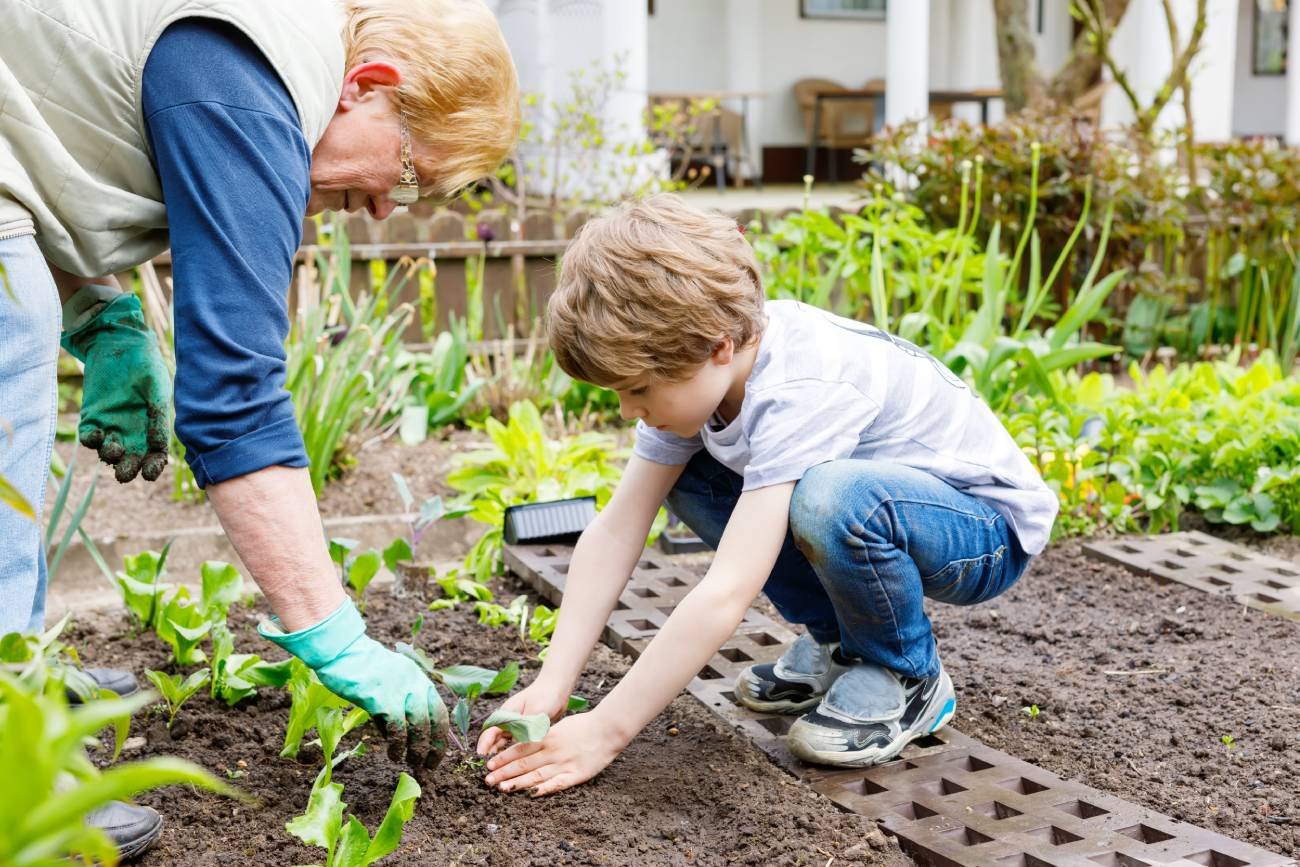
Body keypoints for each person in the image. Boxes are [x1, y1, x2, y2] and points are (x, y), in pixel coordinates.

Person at [0, 0, 518, 856]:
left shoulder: (258, 56)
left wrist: (102, 310)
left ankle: (13, 676)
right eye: (414, 174)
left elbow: (46, 125)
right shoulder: (255, 82)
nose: (389, 207)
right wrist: (337, 638)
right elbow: (234, 398)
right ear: (369, 87)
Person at [476, 193, 1059, 795]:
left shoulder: (800, 387)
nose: (629, 410)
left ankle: (905, 674)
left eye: (640, 388)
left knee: (830, 499)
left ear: (719, 345)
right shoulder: (704, 368)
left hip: (983, 530)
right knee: (694, 479)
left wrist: (607, 730)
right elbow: (618, 529)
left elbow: (730, 586)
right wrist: (553, 682)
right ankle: (841, 644)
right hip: (887, 510)